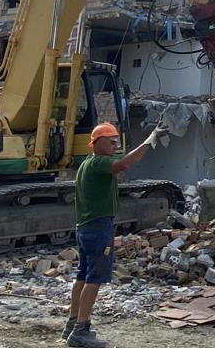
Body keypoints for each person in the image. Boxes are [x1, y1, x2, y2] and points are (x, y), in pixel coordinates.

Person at [63, 121, 167, 348]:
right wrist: (149, 141)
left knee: (83, 276)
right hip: (98, 228)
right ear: (97, 143)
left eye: (115, 142)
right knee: (94, 279)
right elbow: (122, 164)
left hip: (85, 228)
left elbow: (119, 161)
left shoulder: (87, 164)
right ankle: (81, 331)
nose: (114, 145)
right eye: (110, 142)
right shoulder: (99, 162)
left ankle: (72, 325)